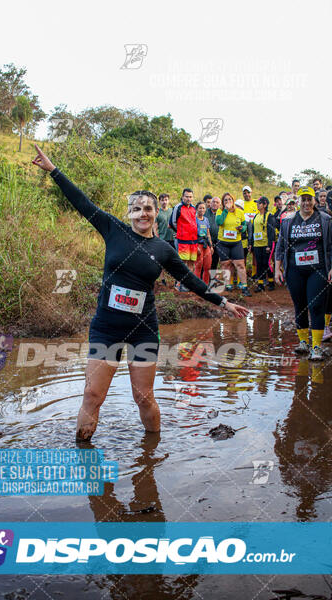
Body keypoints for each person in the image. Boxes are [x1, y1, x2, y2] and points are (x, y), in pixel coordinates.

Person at [32, 144, 249, 440]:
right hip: (107, 328)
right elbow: (80, 202)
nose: (143, 213)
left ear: (156, 212)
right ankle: (83, 455)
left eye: (148, 208)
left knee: (144, 398)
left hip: (143, 331)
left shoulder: (163, 249)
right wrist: (54, 171)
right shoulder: (112, 229)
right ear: (130, 212)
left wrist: (223, 301)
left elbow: (191, 279)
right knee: (93, 395)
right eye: (137, 207)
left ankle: (152, 455)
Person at [275, 186, 332, 361]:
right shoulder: (288, 221)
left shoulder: (326, 220)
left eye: (309, 199)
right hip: (295, 270)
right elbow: (281, 247)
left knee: (316, 306)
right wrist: (278, 268)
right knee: (299, 306)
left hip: (319, 269)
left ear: (314, 201)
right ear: (298, 201)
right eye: (303, 199)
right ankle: (303, 343)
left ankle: (316, 347)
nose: (307, 203)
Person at [216, 192, 252, 296]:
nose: (228, 202)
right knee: (225, 264)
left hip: (236, 242)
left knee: (240, 264)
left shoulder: (240, 212)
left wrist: (242, 228)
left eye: (230, 199)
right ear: (223, 202)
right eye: (225, 200)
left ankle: (244, 287)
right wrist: (225, 211)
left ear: (233, 201)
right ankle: (228, 286)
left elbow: (244, 225)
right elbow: (219, 222)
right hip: (223, 242)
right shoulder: (220, 211)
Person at [169, 189, 198, 292]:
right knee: (182, 262)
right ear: (182, 197)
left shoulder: (194, 208)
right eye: (186, 196)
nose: (188, 199)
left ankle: (187, 284)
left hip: (193, 240)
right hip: (182, 240)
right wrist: (181, 231)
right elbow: (172, 222)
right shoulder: (178, 207)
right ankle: (178, 284)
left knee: (191, 263)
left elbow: (195, 222)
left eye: (190, 197)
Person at [248, 196, 276, 292]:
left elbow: (271, 231)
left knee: (267, 263)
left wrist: (269, 245)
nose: (257, 205)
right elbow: (253, 231)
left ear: (265, 205)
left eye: (259, 203)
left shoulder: (269, 216)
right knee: (259, 264)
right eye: (257, 203)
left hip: (265, 244)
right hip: (257, 244)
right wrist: (251, 243)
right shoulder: (256, 216)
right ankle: (260, 284)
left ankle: (271, 282)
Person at [155, 193, 174, 285]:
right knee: (162, 260)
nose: (164, 202)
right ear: (159, 201)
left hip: (173, 238)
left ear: (168, 200)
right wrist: (157, 238)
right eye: (162, 200)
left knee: (174, 259)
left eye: (166, 200)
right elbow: (155, 227)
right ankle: (162, 279)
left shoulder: (172, 211)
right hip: (163, 239)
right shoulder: (158, 213)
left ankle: (175, 279)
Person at [195, 201, 213, 285]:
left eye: (203, 208)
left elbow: (208, 233)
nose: (202, 210)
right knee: (199, 265)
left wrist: (211, 245)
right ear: (196, 209)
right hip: (198, 243)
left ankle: (205, 284)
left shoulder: (206, 220)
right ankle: (196, 285)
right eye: (200, 208)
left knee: (208, 265)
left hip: (206, 244)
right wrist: (195, 246)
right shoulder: (194, 220)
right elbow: (192, 234)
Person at [242, 185, 258, 278]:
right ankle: (242, 275)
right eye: (244, 193)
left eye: (248, 192)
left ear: (251, 193)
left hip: (255, 232)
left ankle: (254, 274)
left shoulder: (255, 203)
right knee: (242, 255)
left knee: (255, 254)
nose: (246, 194)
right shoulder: (241, 204)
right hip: (244, 233)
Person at [205, 196, 221, 270]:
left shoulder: (221, 213)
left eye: (217, 202)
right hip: (206, 241)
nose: (215, 204)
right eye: (213, 202)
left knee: (215, 261)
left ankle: (212, 279)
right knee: (205, 262)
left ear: (219, 205)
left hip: (217, 242)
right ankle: (203, 279)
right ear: (210, 203)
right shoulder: (205, 212)